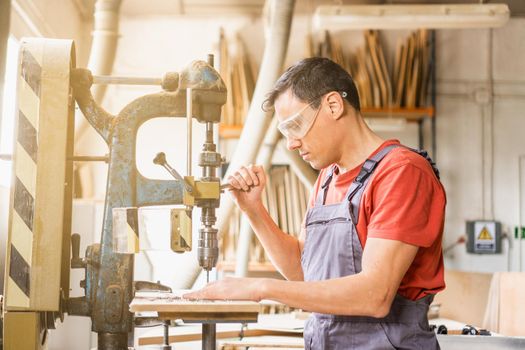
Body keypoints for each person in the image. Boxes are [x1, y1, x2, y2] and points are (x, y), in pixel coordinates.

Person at [184, 57, 446, 349]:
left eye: (295, 125)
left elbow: (375, 295)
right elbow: (303, 272)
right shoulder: (326, 179)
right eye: (285, 133)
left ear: (333, 105)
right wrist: (253, 210)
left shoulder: (401, 172)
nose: (291, 144)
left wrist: (259, 287)